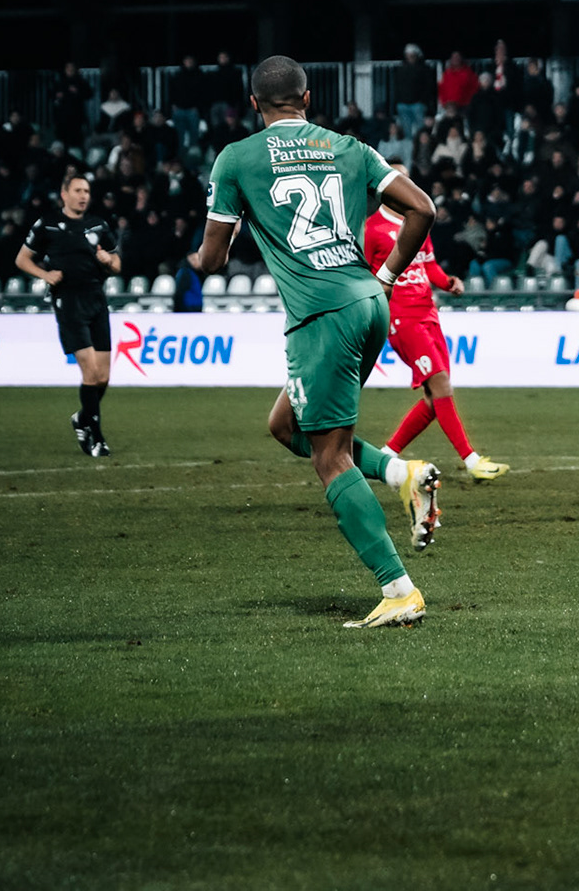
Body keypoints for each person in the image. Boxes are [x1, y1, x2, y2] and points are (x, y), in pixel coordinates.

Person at [190, 55, 441, 629]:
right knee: (286, 424)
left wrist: (198, 253)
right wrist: (385, 276)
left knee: (329, 457)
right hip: (369, 303)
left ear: (254, 105)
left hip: (320, 315)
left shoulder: (237, 158)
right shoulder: (350, 148)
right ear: (307, 100)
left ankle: (398, 589)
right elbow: (423, 208)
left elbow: (212, 258)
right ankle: (403, 475)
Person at [363, 162, 509, 484]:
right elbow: (362, 276)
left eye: (406, 177)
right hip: (401, 318)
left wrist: (448, 282)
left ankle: (386, 455)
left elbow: (427, 265)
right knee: (441, 385)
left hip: (428, 313)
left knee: (435, 398)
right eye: (394, 178)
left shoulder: (417, 221)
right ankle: (471, 461)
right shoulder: (371, 229)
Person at [16, 173, 122, 457]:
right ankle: (96, 438)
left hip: (97, 301)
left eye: (86, 190)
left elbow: (117, 264)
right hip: (68, 302)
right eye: (77, 190)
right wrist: (45, 274)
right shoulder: (47, 225)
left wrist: (109, 260)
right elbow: (22, 259)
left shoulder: (98, 225)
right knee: (89, 370)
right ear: (64, 194)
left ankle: (82, 417)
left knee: (103, 377)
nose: (83, 195)